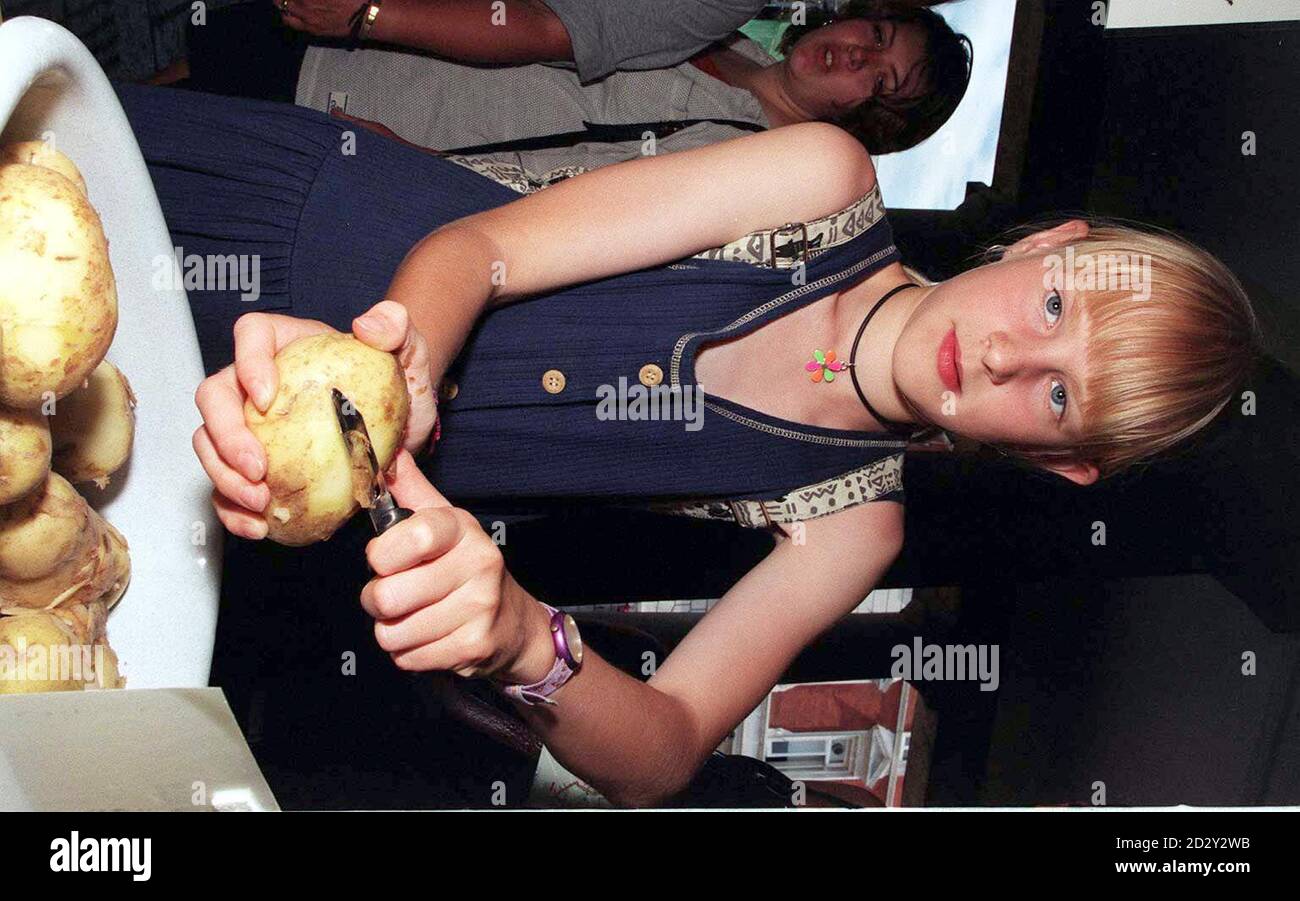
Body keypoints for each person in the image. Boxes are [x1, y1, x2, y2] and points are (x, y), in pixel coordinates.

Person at [117, 83, 1260, 806]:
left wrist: (523, 638)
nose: (1013, 358)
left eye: (1059, 400)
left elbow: (660, 754)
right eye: (1055, 308)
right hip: (286, 234)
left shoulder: (853, 525)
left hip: (277, 475)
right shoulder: (821, 179)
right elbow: (488, 248)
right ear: (1050, 242)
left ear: (1064, 465)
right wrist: (405, 373)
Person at [187, 1, 970, 187]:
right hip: (358, 52)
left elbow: (561, 207)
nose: (854, 52)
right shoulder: (726, 42)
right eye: (876, 33)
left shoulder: (742, 161)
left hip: (346, 131)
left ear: (868, 117)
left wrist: (405, 168)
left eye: (881, 75)